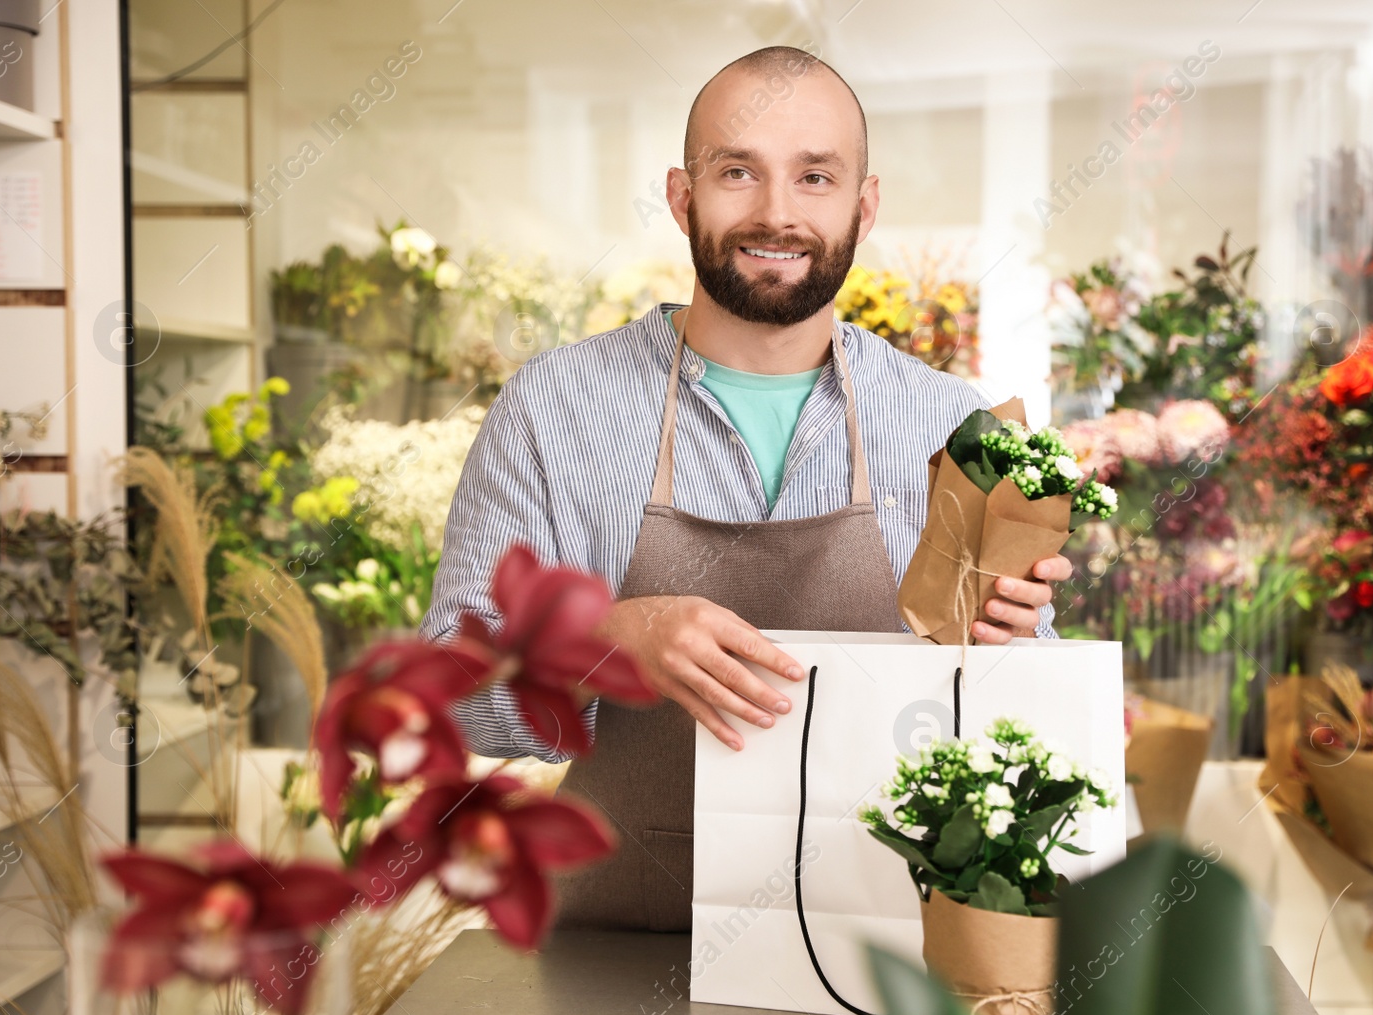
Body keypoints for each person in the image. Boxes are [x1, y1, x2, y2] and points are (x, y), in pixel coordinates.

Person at [420, 46, 1073, 931]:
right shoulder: (553, 408)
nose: (776, 213)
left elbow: (1021, 717)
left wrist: (1010, 644)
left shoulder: (950, 424)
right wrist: (600, 642)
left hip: (873, 947)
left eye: (815, 177)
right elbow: (448, 696)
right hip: (621, 952)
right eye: (737, 171)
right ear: (682, 197)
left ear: (864, 205)